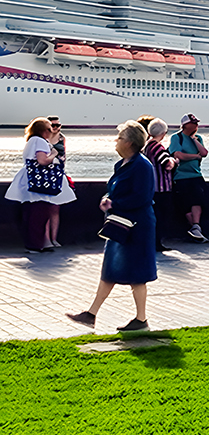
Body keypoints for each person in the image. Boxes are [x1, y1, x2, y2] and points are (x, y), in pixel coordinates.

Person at [66, 120, 157, 333]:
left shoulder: (143, 166)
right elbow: (114, 188)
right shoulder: (123, 164)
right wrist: (108, 198)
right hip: (119, 224)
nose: (116, 142)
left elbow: (142, 197)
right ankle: (91, 314)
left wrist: (115, 204)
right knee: (111, 269)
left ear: (130, 142)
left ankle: (140, 319)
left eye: (119, 138)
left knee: (137, 273)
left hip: (136, 226)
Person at [5, 117, 76, 253]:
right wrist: (54, 154)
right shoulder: (41, 141)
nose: (51, 132)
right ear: (44, 131)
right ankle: (37, 244)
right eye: (49, 129)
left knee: (30, 212)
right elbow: (43, 160)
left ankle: (35, 243)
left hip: (29, 179)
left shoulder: (31, 141)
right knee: (40, 212)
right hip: (42, 181)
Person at [168, 113, 208, 242]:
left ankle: (196, 228)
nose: (197, 125)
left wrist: (194, 140)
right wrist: (195, 157)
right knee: (185, 205)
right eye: (194, 123)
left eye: (197, 123)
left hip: (196, 175)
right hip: (181, 176)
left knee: (198, 201)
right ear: (185, 125)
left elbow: (204, 153)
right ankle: (196, 231)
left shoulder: (198, 138)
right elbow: (178, 155)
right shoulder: (176, 138)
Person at [142, 118, 179, 251]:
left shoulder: (146, 146)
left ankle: (152, 242)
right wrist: (174, 161)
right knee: (161, 218)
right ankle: (157, 243)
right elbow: (167, 165)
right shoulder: (157, 147)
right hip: (161, 188)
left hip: (151, 187)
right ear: (163, 133)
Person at [42, 116, 74, 249]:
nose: (56, 128)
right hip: (44, 176)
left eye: (58, 125)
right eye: (53, 125)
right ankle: (46, 239)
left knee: (55, 209)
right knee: (45, 208)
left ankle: (54, 238)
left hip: (58, 174)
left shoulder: (62, 138)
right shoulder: (42, 139)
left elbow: (64, 157)